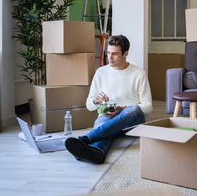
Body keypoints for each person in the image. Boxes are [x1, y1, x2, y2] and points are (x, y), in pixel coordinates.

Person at [65, 35, 152, 164]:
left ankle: (87, 138)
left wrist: (122, 109)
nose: (109, 58)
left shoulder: (139, 73)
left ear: (125, 53)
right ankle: (97, 153)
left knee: (133, 108)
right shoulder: (100, 72)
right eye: (108, 53)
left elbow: (148, 106)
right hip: (108, 117)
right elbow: (89, 105)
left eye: (115, 54)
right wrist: (96, 101)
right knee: (103, 121)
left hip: (131, 121)